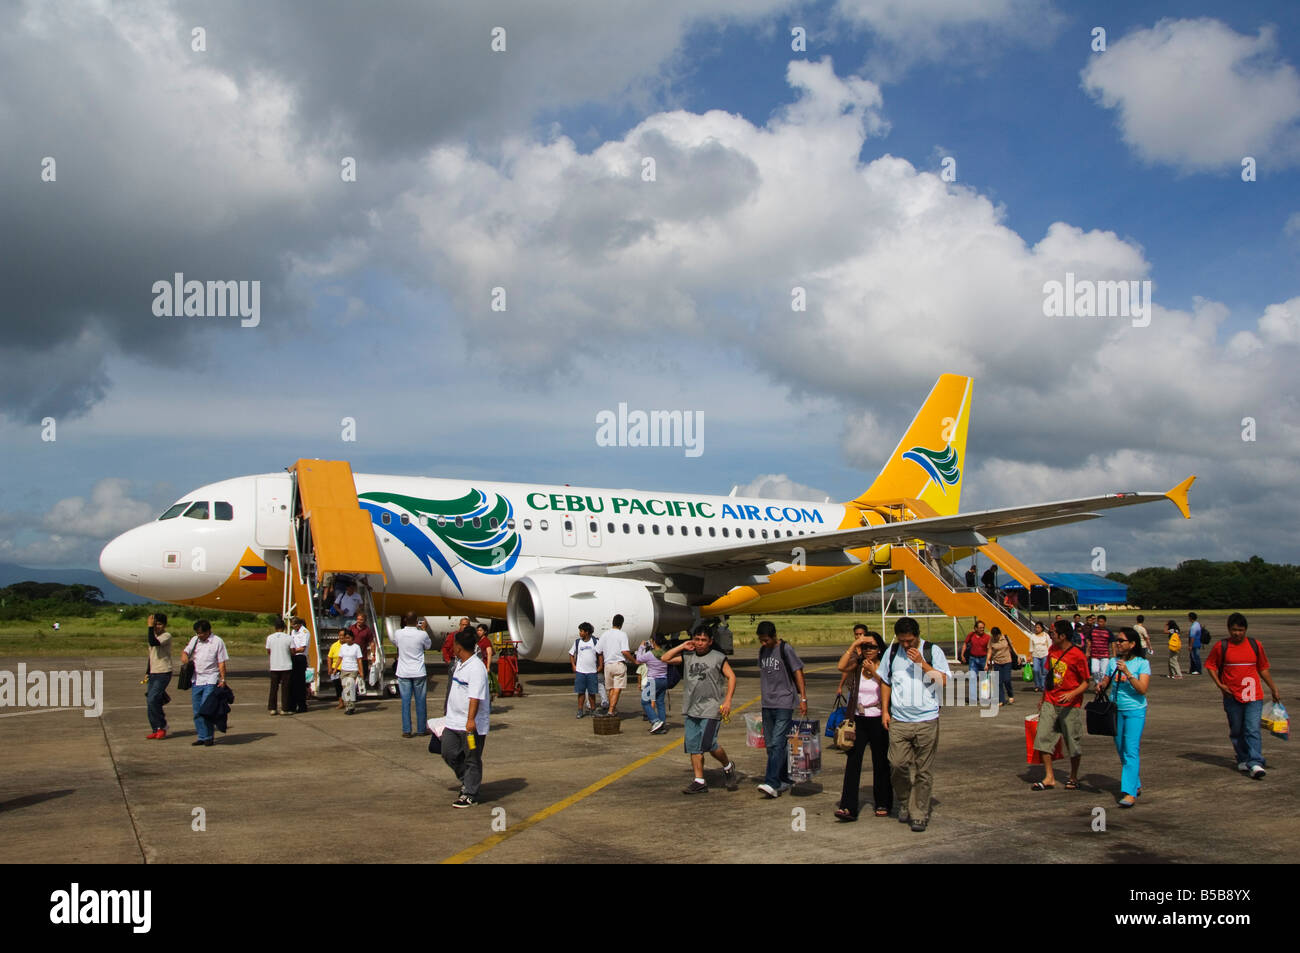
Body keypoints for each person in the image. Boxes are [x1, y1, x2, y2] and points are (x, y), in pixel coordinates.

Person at [878, 616, 950, 832]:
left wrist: (921, 663)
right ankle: (904, 800)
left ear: (917, 636)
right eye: (902, 641)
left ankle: (919, 813)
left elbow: (944, 680)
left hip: (926, 719)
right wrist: (884, 711)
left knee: (923, 770)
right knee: (897, 764)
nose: (906, 645)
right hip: (899, 719)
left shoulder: (932, 650)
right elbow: (885, 681)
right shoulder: (892, 652)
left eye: (909, 640)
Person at [661, 624, 738, 794]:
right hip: (691, 707)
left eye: (704, 640)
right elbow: (664, 658)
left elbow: (731, 676)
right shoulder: (687, 656)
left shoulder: (718, 657)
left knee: (709, 744)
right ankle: (699, 780)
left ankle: (727, 765)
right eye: (697, 639)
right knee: (694, 746)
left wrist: (727, 701)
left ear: (710, 641)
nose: (700, 643)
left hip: (711, 707)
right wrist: (682, 646)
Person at [1204, 612, 1281, 779]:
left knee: (1252, 729)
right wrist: (1220, 685)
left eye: (1240, 630)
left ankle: (1255, 762)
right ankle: (1243, 757)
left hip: (1254, 696)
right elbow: (1210, 666)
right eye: (1233, 630)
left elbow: (1263, 668)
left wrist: (1273, 688)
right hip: (1232, 696)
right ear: (1228, 629)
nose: (1237, 633)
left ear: (1246, 629)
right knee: (1237, 729)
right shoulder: (1221, 646)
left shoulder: (1255, 645)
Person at [834, 629, 892, 820]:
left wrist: (874, 672)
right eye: (865, 647)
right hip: (858, 718)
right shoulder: (858, 664)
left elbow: (888, 684)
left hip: (878, 718)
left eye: (872, 647)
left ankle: (883, 801)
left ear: (879, 649)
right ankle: (848, 806)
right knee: (853, 762)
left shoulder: (884, 666)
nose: (868, 650)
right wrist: (854, 645)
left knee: (881, 762)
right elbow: (841, 667)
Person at [1031, 620, 1089, 790]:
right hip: (1050, 700)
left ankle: (1073, 776)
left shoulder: (1078, 655)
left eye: (1054, 632)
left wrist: (1071, 694)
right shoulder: (1052, 650)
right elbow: (1049, 677)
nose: (1051, 634)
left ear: (1063, 636)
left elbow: (1086, 682)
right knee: (1042, 738)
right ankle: (1049, 777)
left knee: (1072, 741)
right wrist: (1043, 699)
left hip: (1071, 705)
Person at [1095, 627, 1150, 806]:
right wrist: (1101, 685)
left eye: (1121, 641)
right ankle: (1136, 783)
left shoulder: (1142, 663)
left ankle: (1129, 792)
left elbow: (1142, 689)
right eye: (1117, 640)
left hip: (1135, 710)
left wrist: (1127, 673)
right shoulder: (1113, 662)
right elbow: (1106, 680)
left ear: (1132, 644)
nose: (1117, 643)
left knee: (1131, 749)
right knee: (1121, 749)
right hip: (1115, 710)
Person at [754, 621, 808, 798]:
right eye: (761, 640)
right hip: (767, 703)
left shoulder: (786, 649)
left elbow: (798, 672)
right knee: (771, 745)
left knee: (777, 742)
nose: (764, 644)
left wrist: (803, 698)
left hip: (784, 702)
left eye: (766, 640)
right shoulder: (763, 651)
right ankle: (784, 778)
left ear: (774, 636)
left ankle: (771, 782)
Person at [444, 629, 491, 807]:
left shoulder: (476, 668)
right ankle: (468, 779)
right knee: (448, 752)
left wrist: (470, 720)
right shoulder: (460, 663)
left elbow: (475, 697)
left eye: (454, 644)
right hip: (453, 721)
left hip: (470, 724)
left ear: (458, 647)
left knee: (472, 757)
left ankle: (470, 793)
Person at [181, 620, 228, 747]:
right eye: (197, 633)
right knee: (197, 710)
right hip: (197, 679)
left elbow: (221, 662)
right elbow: (185, 652)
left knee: (206, 709)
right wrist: (185, 658)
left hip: (211, 679)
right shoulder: (195, 640)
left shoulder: (217, 641)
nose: (199, 635)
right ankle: (201, 736)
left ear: (208, 631)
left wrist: (222, 679)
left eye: (201, 633)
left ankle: (208, 736)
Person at [392, 612, 432, 738]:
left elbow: (396, 643)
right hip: (418, 670)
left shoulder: (398, 633)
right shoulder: (422, 634)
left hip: (403, 671)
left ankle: (406, 730)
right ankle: (421, 729)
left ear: (405, 620)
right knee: (420, 701)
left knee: (405, 701)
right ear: (417, 621)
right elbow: (428, 646)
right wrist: (424, 629)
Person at [597, 614, 634, 716]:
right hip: (618, 663)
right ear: (621, 624)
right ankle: (611, 710)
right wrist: (634, 660)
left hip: (608, 665)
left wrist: (601, 662)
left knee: (611, 689)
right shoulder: (622, 634)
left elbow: (598, 650)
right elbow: (625, 651)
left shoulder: (605, 634)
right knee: (617, 688)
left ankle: (612, 708)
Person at [145, 612, 172, 739]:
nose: (157, 626)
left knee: (153, 699)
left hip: (163, 672)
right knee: (150, 702)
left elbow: (153, 642)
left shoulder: (166, 635)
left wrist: (150, 627)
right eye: (155, 624)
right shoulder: (153, 635)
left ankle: (162, 726)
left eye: (159, 624)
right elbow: (151, 656)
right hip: (153, 672)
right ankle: (155, 728)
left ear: (165, 625)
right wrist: (147, 672)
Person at [634, 633, 669, 732]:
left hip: (653, 680)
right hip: (663, 680)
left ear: (653, 642)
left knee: (645, 701)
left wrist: (641, 647)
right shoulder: (665, 653)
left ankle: (655, 721)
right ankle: (662, 724)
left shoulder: (650, 654)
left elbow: (639, 659)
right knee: (660, 702)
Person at [569, 622, 603, 718]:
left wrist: (600, 665)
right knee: (581, 692)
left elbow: (600, 654)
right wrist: (573, 665)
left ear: (587, 632)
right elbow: (571, 654)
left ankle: (593, 710)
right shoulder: (577, 642)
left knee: (592, 693)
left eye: (581, 631)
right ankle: (580, 710)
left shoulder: (595, 641)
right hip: (581, 672)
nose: (580, 633)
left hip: (592, 671)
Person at [265, 618, 293, 716]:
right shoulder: (289, 637)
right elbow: (292, 651)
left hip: (274, 665)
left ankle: (272, 708)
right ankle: (284, 708)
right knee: (285, 689)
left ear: (275, 627)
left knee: (274, 688)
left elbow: (268, 651)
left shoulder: (270, 637)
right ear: (284, 627)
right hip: (286, 665)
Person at [958, 620, 989, 705]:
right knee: (972, 678)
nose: (982, 629)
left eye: (983, 628)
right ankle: (973, 698)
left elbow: (990, 650)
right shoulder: (971, 635)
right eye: (980, 628)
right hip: (973, 659)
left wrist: (988, 662)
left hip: (983, 659)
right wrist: (962, 654)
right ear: (975, 628)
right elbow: (965, 644)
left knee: (984, 679)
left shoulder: (987, 637)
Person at [987, 626, 1017, 706]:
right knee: (998, 682)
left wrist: (1017, 656)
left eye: (996, 635)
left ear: (999, 634)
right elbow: (989, 651)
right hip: (997, 662)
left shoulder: (1005, 638)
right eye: (994, 635)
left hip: (1007, 661)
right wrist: (987, 662)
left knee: (1007, 680)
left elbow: (1012, 647)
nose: (995, 637)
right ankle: (1001, 700)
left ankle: (1010, 695)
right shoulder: (991, 640)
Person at [335, 629, 363, 715]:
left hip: (353, 669)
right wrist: (335, 668)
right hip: (344, 670)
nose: (347, 640)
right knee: (345, 689)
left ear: (352, 638)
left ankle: (351, 706)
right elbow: (340, 658)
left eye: (348, 638)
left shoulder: (356, 647)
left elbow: (359, 660)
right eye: (345, 638)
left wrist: (361, 671)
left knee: (349, 686)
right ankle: (348, 706)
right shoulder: (343, 647)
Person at [288, 617, 310, 713]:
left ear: (299, 624)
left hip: (300, 657)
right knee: (292, 682)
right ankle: (292, 704)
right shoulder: (293, 632)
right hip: (293, 657)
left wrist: (292, 651)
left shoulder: (304, 632)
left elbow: (302, 648)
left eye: (294, 624)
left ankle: (302, 705)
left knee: (300, 683)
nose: (293, 627)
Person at [348, 611, 375, 685]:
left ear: (364, 620)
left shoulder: (367, 630)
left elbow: (372, 642)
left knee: (364, 672)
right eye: (358, 619)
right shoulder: (351, 628)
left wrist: (373, 655)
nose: (359, 621)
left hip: (363, 656)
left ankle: (360, 687)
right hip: (352, 656)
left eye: (361, 620)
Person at [1087, 614, 1113, 680]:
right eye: (1098, 622)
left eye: (1101, 622)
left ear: (1105, 622)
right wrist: (1087, 651)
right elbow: (1089, 641)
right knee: (1094, 671)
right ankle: (1098, 684)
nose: (1100, 623)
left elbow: (1112, 643)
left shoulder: (1108, 631)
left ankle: (1101, 686)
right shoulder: (1093, 630)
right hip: (1095, 655)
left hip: (1105, 655)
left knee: (1103, 672)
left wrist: (1114, 653)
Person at [1028, 621, 1050, 693]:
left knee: (1044, 671)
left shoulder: (1046, 635)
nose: (1037, 629)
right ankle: (1037, 685)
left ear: (1042, 628)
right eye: (1036, 627)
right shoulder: (1032, 636)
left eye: (1038, 627)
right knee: (1036, 670)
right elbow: (1031, 647)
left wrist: (1050, 654)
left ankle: (1043, 686)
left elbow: (1049, 645)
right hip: (1036, 655)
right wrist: (1030, 655)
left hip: (1045, 654)